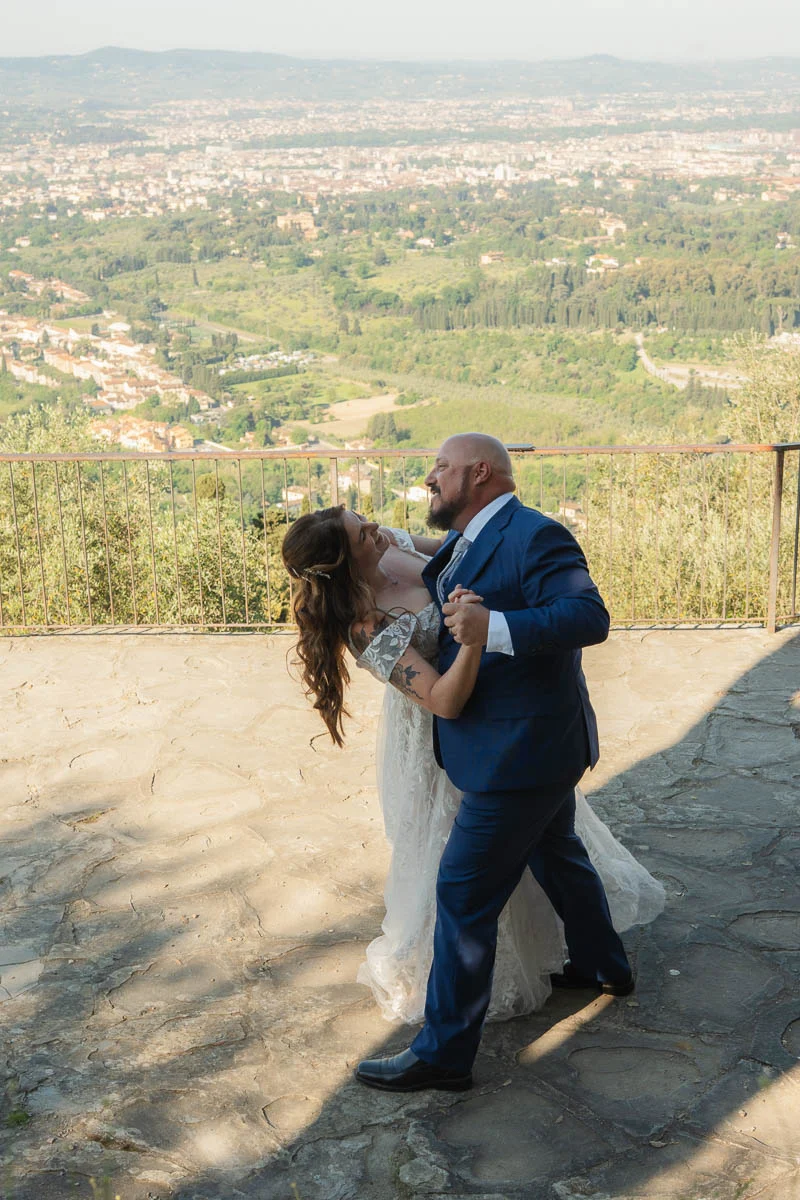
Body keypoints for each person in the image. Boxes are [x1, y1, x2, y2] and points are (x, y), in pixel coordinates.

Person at [281, 439, 664, 1091]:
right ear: (349, 558)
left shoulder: (525, 533)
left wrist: (484, 634)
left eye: (443, 468)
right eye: (363, 530)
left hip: (512, 749)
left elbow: (582, 617)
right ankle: (606, 966)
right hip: (480, 732)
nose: (381, 524)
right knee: (558, 850)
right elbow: (441, 693)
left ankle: (444, 1053)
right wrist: (478, 637)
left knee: (461, 892)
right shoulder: (382, 610)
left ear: (478, 474)